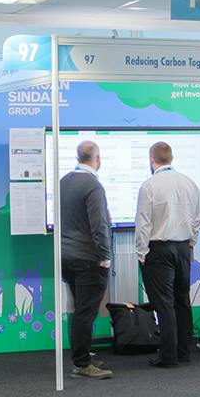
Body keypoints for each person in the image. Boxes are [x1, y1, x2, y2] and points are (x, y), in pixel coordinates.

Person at [133, 141, 200, 370]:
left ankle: (168, 356)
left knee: (164, 304)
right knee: (182, 301)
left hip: (158, 250)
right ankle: (184, 352)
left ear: (152, 160)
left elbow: (143, 224)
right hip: (183, 248)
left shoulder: (149, 186)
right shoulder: (190, 184)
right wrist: (189, 245)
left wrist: (142, 253)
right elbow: (196, 222)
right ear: (171, 158)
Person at [57, 140, 114, 380]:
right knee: (85, 312)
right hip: (88, 258)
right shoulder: (92, 185)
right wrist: (105, 256)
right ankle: (81, 363)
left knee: (79, 310)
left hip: (66, 256)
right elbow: (99, 224)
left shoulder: (64, 181)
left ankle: (82, 356)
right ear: (97, 159)